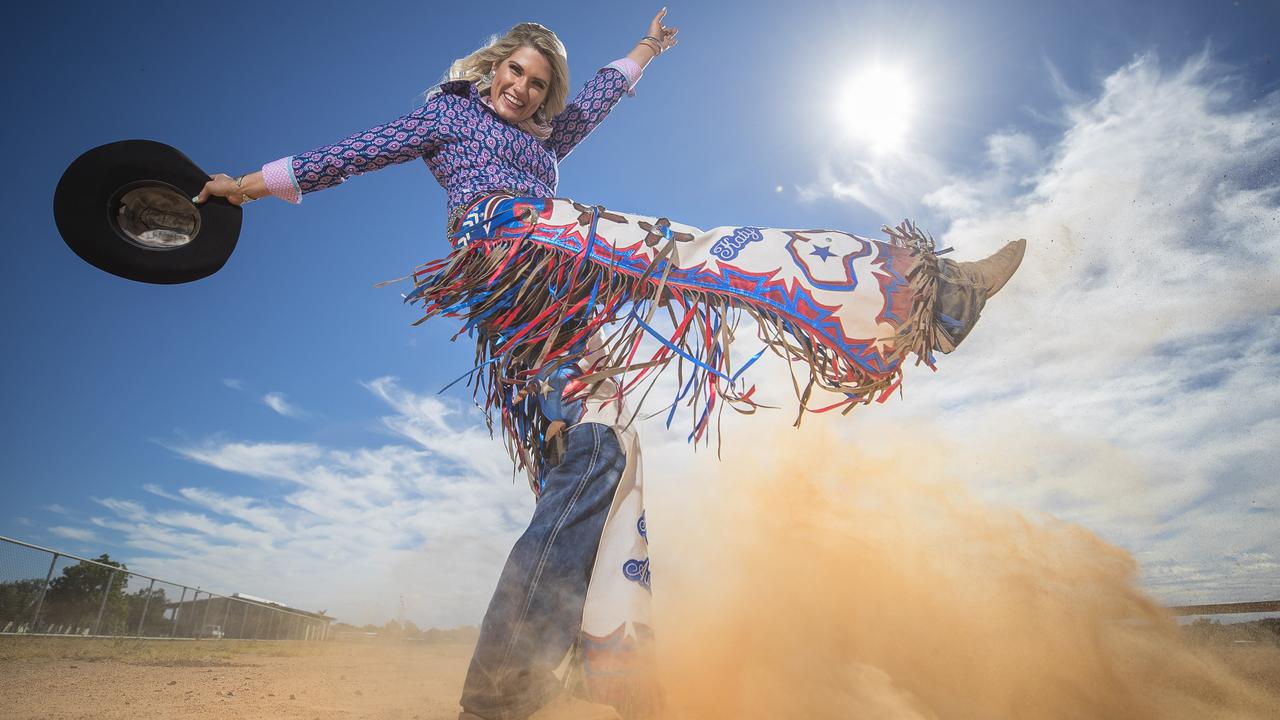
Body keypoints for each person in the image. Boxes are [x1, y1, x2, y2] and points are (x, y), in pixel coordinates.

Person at [195, 10, 1024, 720]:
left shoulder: (545, 136)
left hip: (555, 306)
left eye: (537, 84)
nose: (523, 89)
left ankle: (576, 671)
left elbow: (592, 101)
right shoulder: (448, 119)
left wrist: (644, 53)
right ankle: (928, 296)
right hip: (510, 244)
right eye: (515, 73)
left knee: (605, 450)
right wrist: (246, 185)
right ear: (491, 69)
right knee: (689, 248)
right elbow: (351, 153)